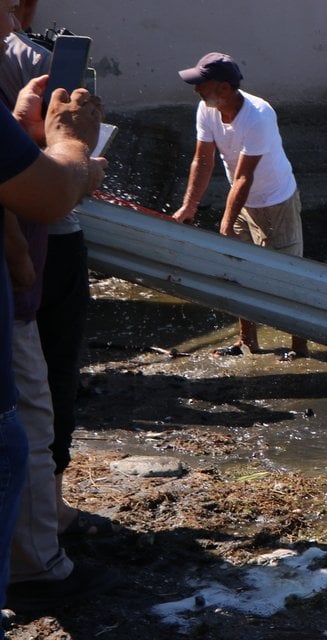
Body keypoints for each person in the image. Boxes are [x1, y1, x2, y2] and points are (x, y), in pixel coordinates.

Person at [0, 0, 110, 611]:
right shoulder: (28, 53)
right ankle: (38, 567)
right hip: (21, 289)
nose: (14, 17)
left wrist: (19, 128)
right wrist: (70, 148)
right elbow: (42, 197)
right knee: (26, 427)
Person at [172, 52, 308, 361]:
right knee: (238, 272)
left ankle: (299, 348)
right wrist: (189, 206)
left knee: (288, 279)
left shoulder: (258, 115)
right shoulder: (207, 109)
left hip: (276, 200)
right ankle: (248, 343)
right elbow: (203, 160)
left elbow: (245, 176)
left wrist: (223, 223)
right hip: (241, 200)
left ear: (222, 87)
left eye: (201, 84)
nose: (195, 90)